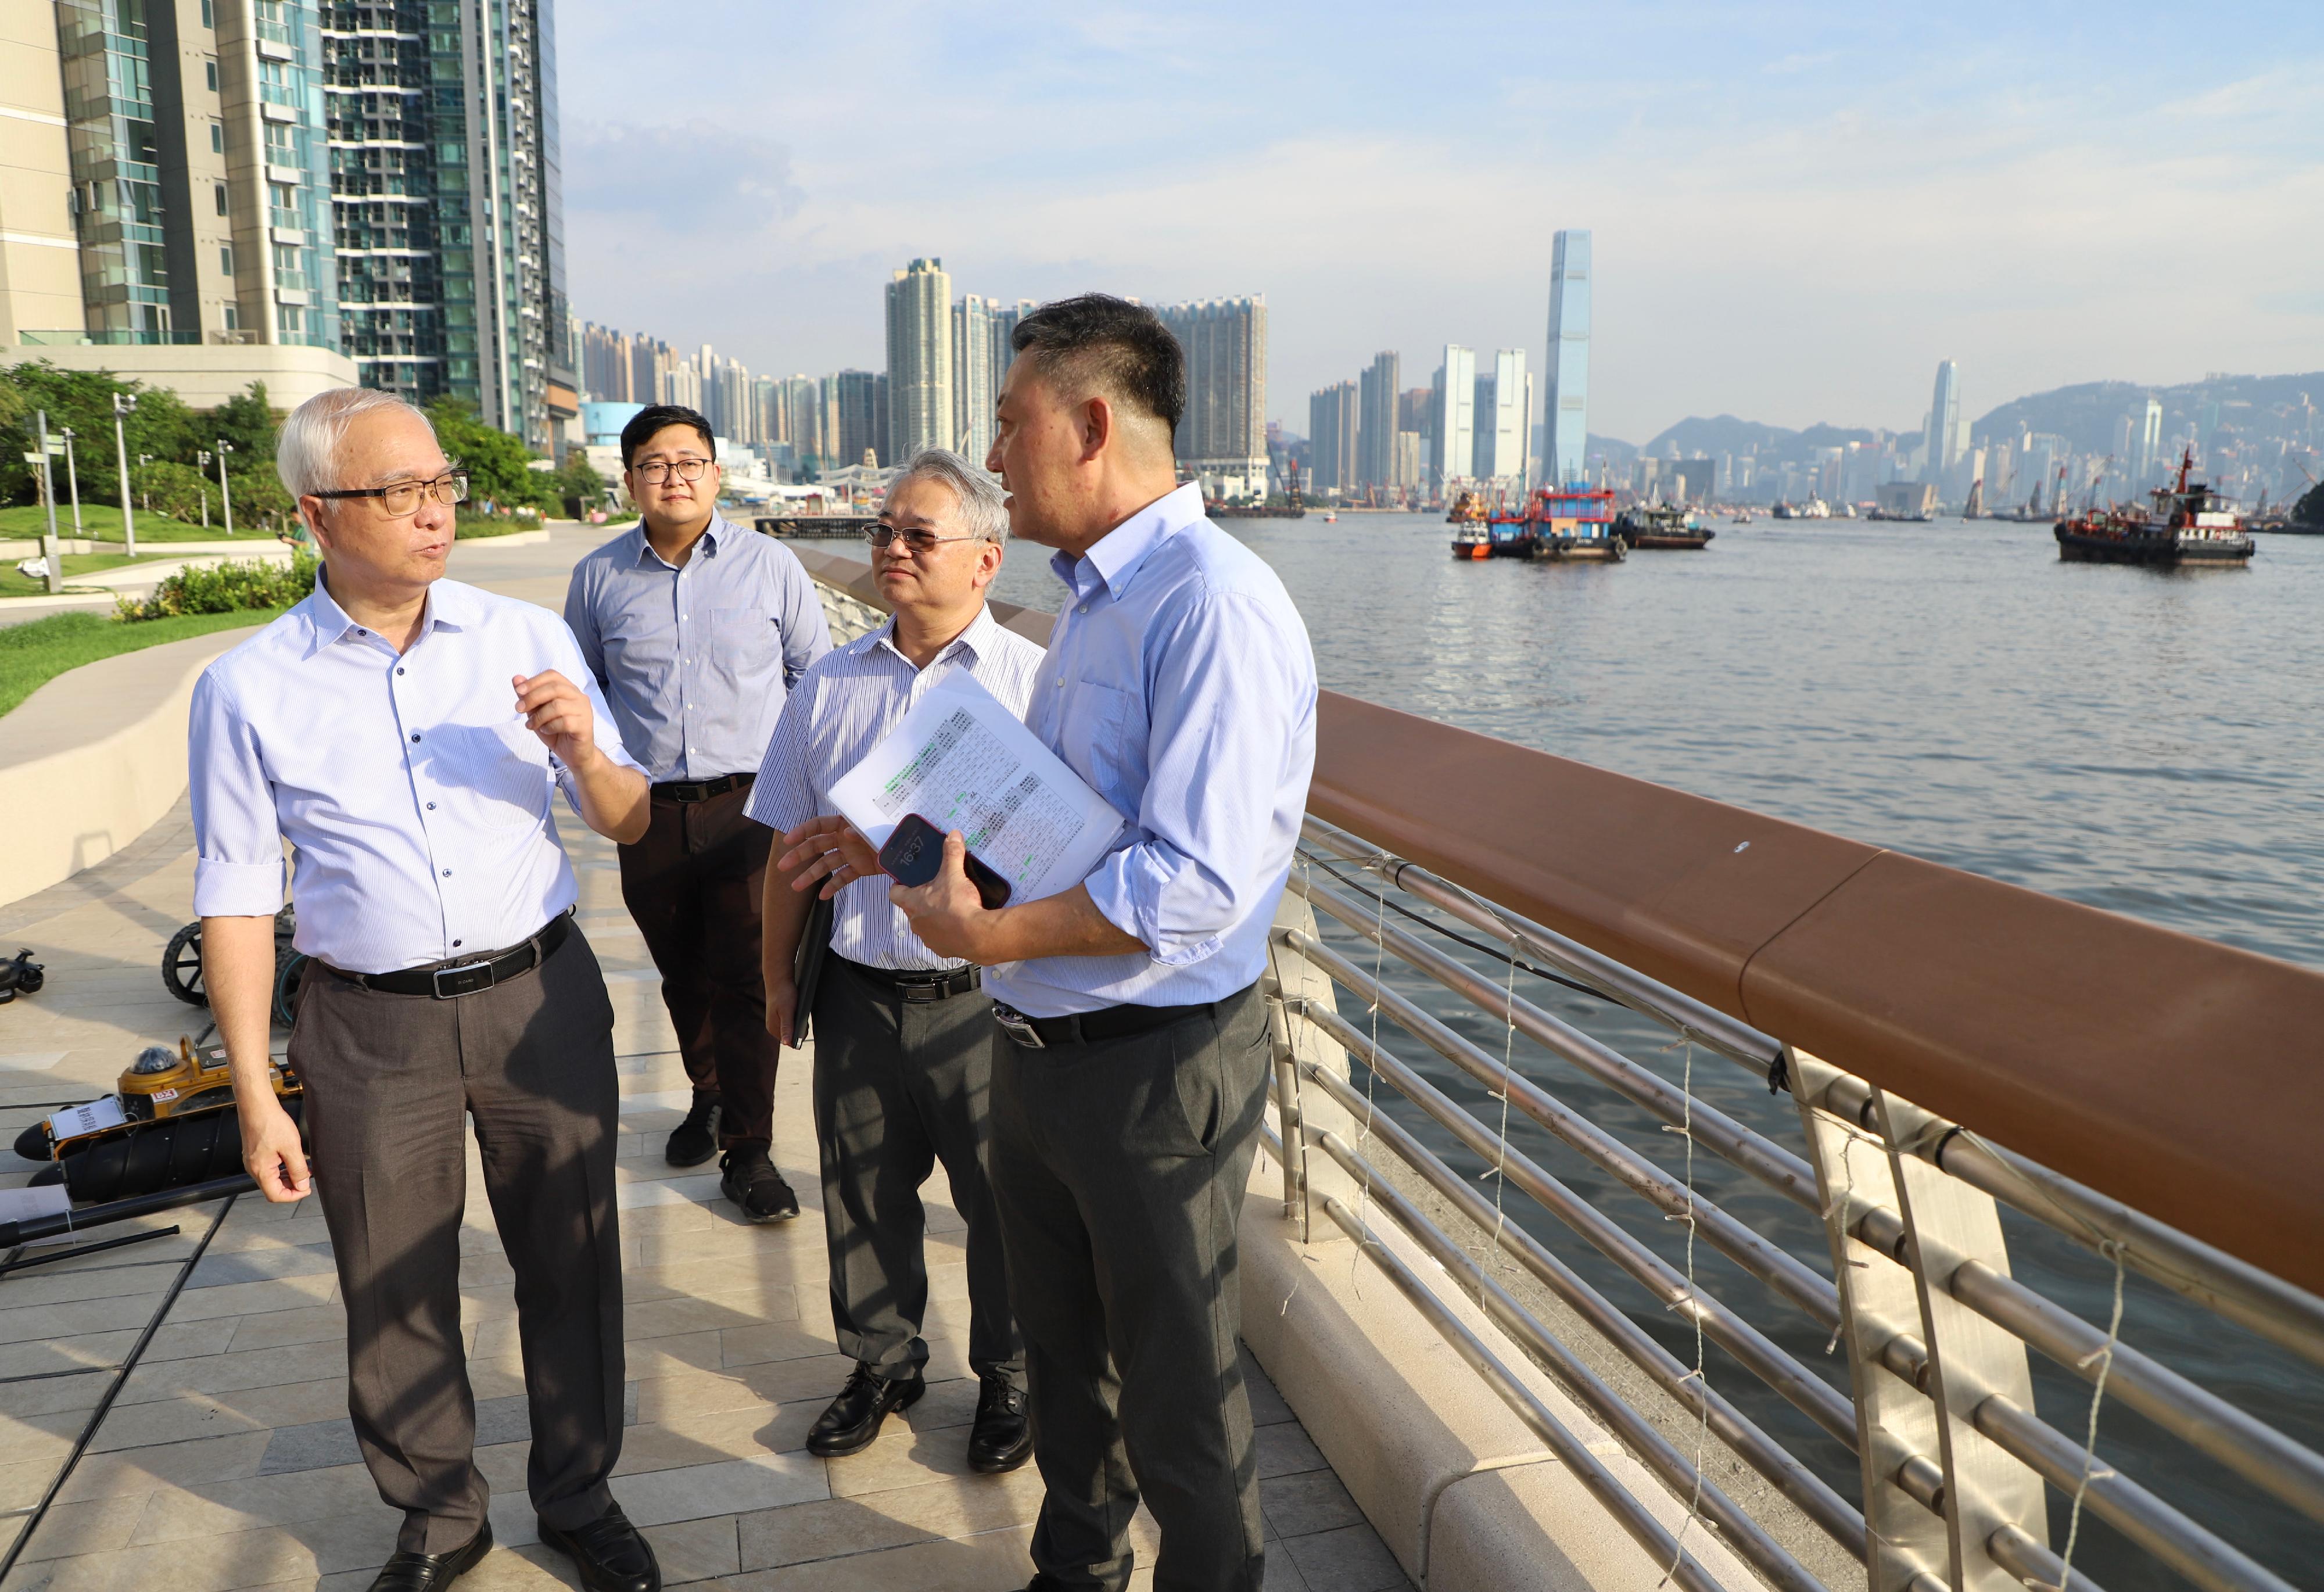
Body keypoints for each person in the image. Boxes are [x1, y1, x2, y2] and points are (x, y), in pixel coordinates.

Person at [802, 297, 1317, 1591]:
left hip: (1152, 1059)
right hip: (1038, 1039)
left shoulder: (1211, 607)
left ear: (1089, 424)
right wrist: (913, 847)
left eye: (1008, 422)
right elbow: (1066, 821)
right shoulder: (1093, 600)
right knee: (1065, 1351)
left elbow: (1190, 882)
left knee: (1177, 1385)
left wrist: (982, 931)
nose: (994, 448)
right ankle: (1075, 1564)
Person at [192, 388, 664, 1592]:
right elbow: (239, 897)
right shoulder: (249, 687)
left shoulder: (525, 639)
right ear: (315, 513)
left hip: (538, 1000)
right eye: (396, 491)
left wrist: (583, 754)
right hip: (367, 1023)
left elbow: (628, 815)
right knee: (391, 1276)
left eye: (440, 482)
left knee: (572, 1253)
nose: (431, 510)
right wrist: (257, 1094)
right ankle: (440, 1514)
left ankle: (580, 1492)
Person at [752, 450, 1042, 1472]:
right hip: (860, 986)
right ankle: (883, 1360)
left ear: (987, 560)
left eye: (920, 536)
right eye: (884, 532)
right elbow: (789, 845)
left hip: (988, 997)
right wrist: (781, 976)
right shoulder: (830, 683)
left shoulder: (1032, 686)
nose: (893, 551)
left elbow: (1042, 859)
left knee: (1003, 1202)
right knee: (863, 1188)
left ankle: (1012, 1374)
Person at [564, 404, 830, 1218]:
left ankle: (750, 1150)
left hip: (755, 808)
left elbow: (816, 677)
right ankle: (706, 1093)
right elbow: (583, 692)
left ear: (715, 473)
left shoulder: (770, 566)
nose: (673, 477)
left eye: (689, 461)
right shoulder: (600, 577)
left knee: (749, 977)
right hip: (650, 813)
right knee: (682, 973)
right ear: (631, 480)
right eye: (654, 464)